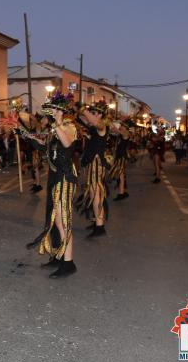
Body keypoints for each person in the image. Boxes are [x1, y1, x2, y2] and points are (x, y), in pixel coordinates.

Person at [26, 92, 78, 278]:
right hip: (55, 178)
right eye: (51, 110)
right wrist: (28, 136)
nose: (52, 113)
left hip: (65, 177)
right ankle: (60, 254)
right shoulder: (54, 130)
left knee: (64, 220)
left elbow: (68, 144)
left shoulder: (69, 127)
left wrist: (57, 123)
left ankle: (69, 262)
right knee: (56, 219)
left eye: (55, 110)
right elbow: (45, 149)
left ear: (62, 111)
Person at [76, 100, 109, 238]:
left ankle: (100, 227)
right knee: (92, 193)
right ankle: (97, 221)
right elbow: (82, 119)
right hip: (91, 163)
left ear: (100, 115)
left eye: (94, 112)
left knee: (96, 195)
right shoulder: (92, 128)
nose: (91, 114)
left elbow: (92, 121)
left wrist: (82, 108)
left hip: (97, 164)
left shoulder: (102, 126)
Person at [109, 120, 131, 200]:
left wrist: (115, 128)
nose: (120, 126)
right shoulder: (119, 135)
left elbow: (121, 132)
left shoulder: (126, 134)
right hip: (118, 157)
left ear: (125, 127)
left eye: (122, 126)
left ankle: (122, 193)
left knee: (120, 175)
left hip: (122, 157)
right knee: (120, 175)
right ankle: (123, 192)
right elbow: (112, 132)